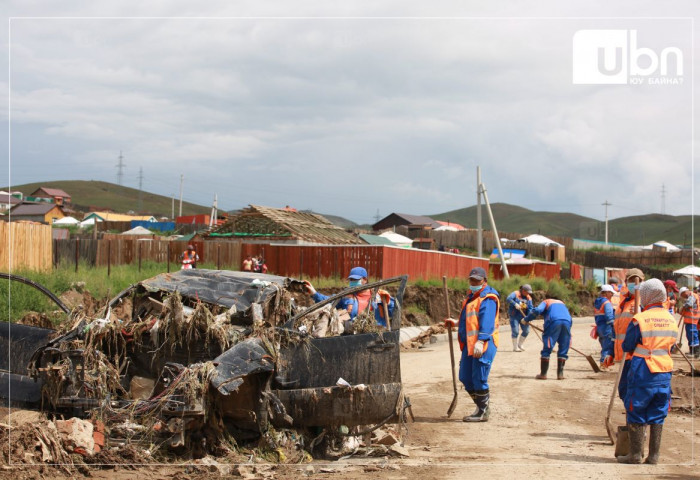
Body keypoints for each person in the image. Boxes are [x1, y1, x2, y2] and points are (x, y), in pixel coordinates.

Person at [617, 278, 678, 464]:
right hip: (665, 371)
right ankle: (654, 456)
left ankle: (635, 455)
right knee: (658, 410)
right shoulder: (670, 318)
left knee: (636, 408)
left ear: (646, 296)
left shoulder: (640, 319)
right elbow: (673, 346)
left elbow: (627, 345)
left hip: (643, 371)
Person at [444, 267, 499, 422]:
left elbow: (487, 322)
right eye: (472, 280)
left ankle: (482, 412)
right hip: (470, 344)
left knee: (479, 377)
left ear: (484, 281)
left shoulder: (488, 298)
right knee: (465, 376)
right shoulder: (471, 297)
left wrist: (481, 341)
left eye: (477, 280)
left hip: (484, 343)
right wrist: (455, 323)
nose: (474, 283)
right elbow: (469, 320)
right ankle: (483, 407)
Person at [303, 267, 395, 326]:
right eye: (351, 279)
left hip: (377, 335)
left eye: (355, 279)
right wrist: (314, 293)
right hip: (354, 336)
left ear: (365, 280)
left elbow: (394, 312)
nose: (352, 282)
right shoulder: (347, 296)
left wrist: (389, 303)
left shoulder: (379, 295)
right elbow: (328, 301)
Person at [522, 294, 572, 380]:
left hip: (553, 321)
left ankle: (543, 374)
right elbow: (568, 317)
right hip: (567, 321)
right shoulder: (562, 303)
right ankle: (560, 374)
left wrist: (526, 319)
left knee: (548, 346)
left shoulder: (546, 301)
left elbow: (537, 310)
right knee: (564, 347)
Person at [505, 284, 533, 352]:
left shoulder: (529, 298)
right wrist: (515, 304)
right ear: (523, 290)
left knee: (526, 331)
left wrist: (528, 317)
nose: (528, 293)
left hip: (523, 316)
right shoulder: (515, 293)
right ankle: (515, 347)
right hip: (514, 315)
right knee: (515, 331)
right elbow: (508, 298)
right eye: (527, 292)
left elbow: (530, 308)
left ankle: (520, 344)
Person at [595, 285, 616, 368]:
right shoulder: (606, 303)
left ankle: (603, 363)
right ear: (606, 293)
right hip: (607, 328)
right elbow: (609, 316)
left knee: (604, 346)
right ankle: (604, 364)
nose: (612, 295)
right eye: (611, 293)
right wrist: (613, 325)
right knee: (608, 347)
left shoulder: (597, 302)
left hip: (600, 327)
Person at [678, 286, 700, 357]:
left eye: (683, 295)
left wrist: (682, 307)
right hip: (691, 320)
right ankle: (692, 351)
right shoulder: (692, 296)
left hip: (692, 320)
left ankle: (695, 352)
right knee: (690, 335)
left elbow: (689, 304)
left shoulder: (692, 296)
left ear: (685, 292)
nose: (684, 297)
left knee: (693, 335)